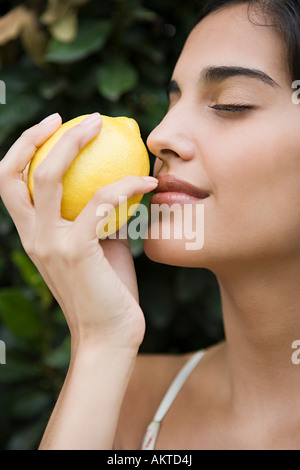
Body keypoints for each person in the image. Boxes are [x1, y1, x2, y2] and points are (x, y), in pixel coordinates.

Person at [1, 0, 300, 450]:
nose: (158, 135)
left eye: (229, 104)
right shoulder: (129, 400)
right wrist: (101, 342)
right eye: (172, 101)